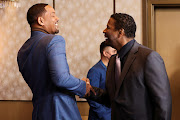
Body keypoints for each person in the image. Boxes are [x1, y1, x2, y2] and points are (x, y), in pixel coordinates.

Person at [87, 13, 172, 120]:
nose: (104, 31)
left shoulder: (148, 57)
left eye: (108, 27)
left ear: (120, 32)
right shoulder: (113, 60)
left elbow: (163, 103)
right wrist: (89, 91)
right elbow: (113, 98)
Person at [17, 3, 94, 120]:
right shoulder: (55, 40)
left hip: (39, 112)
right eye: (53, 15)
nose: (57, 18)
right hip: (60, 110)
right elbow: (61, 79)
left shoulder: (22, 50)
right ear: (41, 21)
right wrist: (83, 86)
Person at [87, 41, 116, 120]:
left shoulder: (113, 69)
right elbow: (92, 97)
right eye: (114, 51)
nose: (116, 53)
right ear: (105, 53)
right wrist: (106, 116)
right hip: (100, 117)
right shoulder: (95, 71)